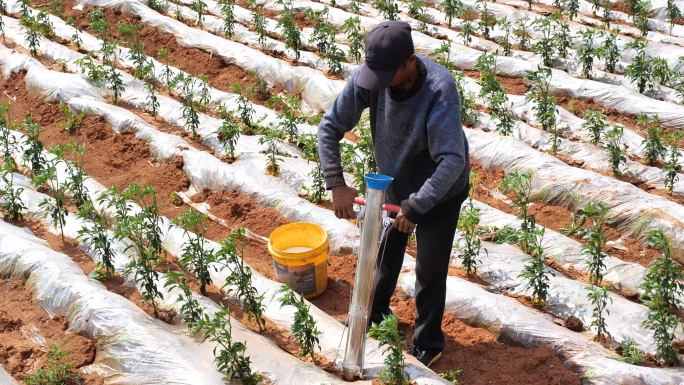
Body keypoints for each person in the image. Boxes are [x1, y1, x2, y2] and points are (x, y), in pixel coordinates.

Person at [317, 20, 471, 368]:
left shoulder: (438, 89)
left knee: (429, 272)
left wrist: (416, 207)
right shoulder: (372, 75)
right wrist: (336, 182)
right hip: (396, 182)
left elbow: (451, 160)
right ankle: (374, 317)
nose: (380, 84)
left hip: (441, 190)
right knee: (384, 257)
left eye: (388, 74)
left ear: (409, 61)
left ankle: (427, 344)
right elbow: (330, 126)